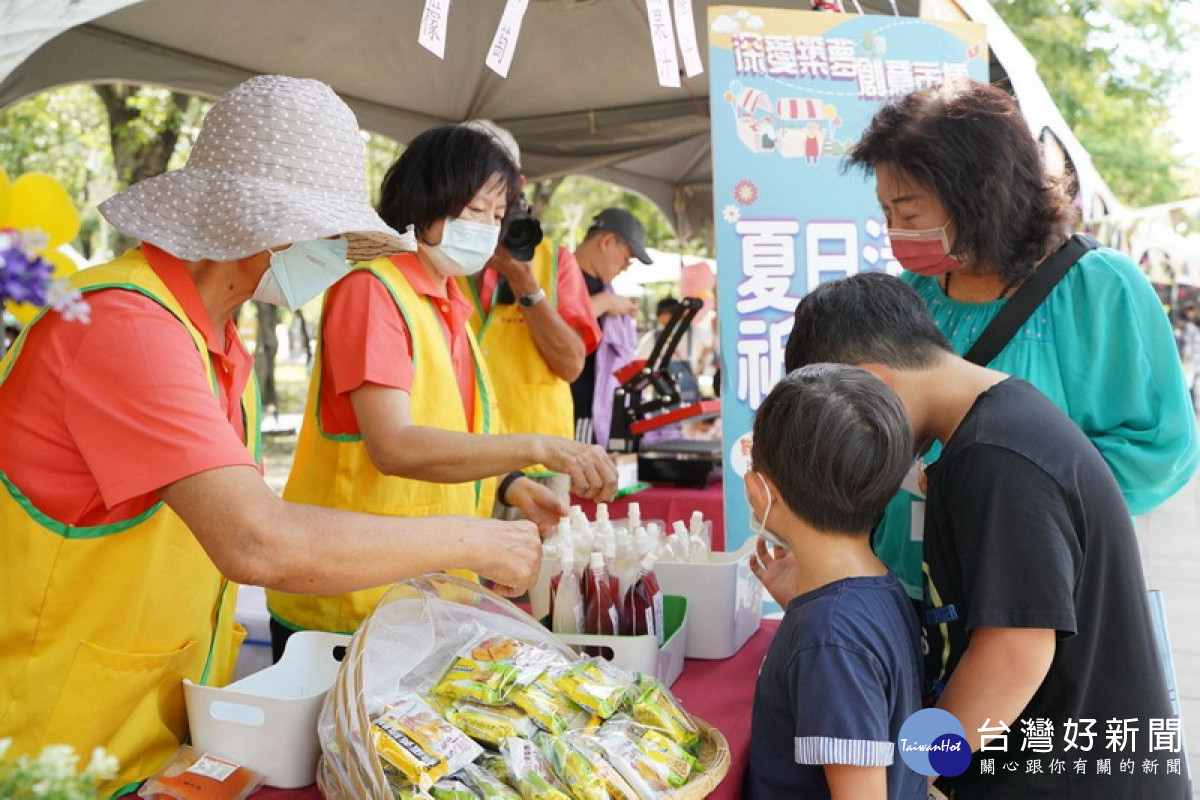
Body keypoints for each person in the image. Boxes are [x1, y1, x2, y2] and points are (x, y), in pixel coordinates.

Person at [0, 76, 542, 795]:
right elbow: (257, 539)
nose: (334, 255)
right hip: (50, 744)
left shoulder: (216, 340)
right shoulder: (125, 324)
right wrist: (474, 540)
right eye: (327, 235)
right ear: (267, 227)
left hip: (145, 736)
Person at [774, 272, 1187, 798]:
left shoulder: (996, 458)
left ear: (873, 382)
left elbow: (1013, 654)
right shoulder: (997, 426)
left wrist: (916, 768)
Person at [267, 124, 616, 652]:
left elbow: (448, 434)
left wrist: (510, 486)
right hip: (350, 605)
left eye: (497, 217)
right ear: (428, 199)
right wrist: (542, 446)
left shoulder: (450, 301)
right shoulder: (374, 288)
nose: (488, 229)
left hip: (424, 596)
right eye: (476, 210)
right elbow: (395, 445)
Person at [845, 79, 1198, 601]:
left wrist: (1003, 489)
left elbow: (1160, 448)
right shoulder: (913, 291)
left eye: (910, 213)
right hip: (906, 584)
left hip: (1026, 596)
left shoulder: (1099, 289)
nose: (895, 232)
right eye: (887, 213)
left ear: (980, 193)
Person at [743, 365, 924, 800]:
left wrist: (813, 625)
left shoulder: (829, 636)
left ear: (759, 490)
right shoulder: (875, 587)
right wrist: (801, 606)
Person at [457, 121, 602, 492]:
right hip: (457, 454)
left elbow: (571, 365)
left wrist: (524, 281)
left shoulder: (555, 261)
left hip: (540, 463)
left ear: (518, 183)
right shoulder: (443, 253)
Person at [570, 208, 652, 445]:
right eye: (627, 258)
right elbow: (553, 323)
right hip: (575, 410)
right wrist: (605, 303)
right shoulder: (560, 274)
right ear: (606, 242)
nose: (626, 267)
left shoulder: (605, 290)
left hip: (598, 413)